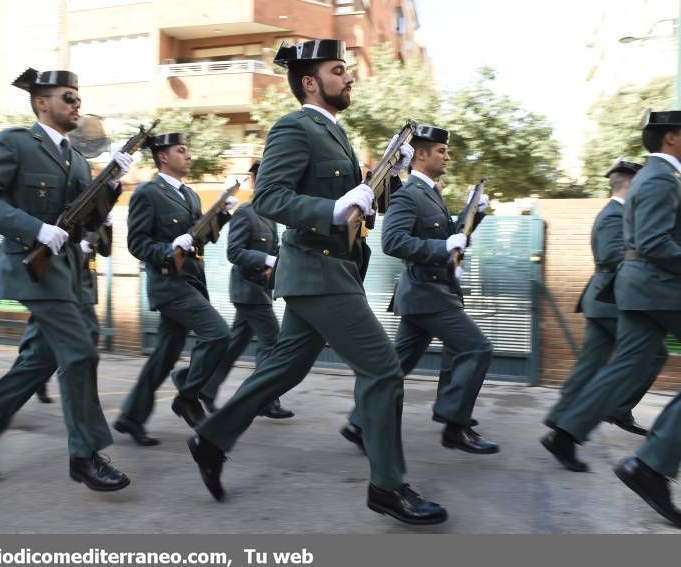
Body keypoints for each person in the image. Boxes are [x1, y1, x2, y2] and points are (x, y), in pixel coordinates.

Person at [187, 39, 447, 526]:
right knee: (383, 369)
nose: (349, 78)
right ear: (310, 81)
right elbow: (270, 197)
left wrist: (393, 172)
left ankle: (211, 438)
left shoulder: (337, 133)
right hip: (318, 271)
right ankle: (387, 486)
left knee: (284, 368)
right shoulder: (295, 126)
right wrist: (331, 209)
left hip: (331, 268)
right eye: (338, 70)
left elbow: (364, 202)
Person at [0, 68, 132, 491]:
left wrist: (112, 182)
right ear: (42, 103)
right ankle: (85, 455)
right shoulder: (16, 142)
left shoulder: (74, 157)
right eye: (68, 97)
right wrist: (34, 230)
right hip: (32, 269)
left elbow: (86, 216)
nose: (76, 105)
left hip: (67, 271)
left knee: (39, 360)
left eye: (77, 98)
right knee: (79, 353)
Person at [543, 110, 681, 498]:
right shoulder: (659, 178)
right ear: (670, 137)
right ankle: (653, 462)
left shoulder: (657, 178)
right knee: (610, 365)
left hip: (640, 293)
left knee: (623, 365)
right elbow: (643, 247)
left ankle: (567, 433)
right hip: (649, 290)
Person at [341, 125, 497, 455]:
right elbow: (393, 241)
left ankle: (359, 423)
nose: (447, 156)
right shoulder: (408, 194)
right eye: (441, 150)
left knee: (395, 367)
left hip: (427, 294)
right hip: (427, 293)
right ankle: (454, 424)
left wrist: (475, 214)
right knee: (476, 348)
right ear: (421, 155)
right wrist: (442, 248)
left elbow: (451, 236)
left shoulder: (431, 193)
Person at [112, 133, 234, 446]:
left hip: (192, 281)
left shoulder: (191, 196)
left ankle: (131, 416)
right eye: (181, 151)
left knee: (164, 356)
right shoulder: (148, 193)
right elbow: (137, 243)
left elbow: (199, 239)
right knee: (219, 333)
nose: (188, 155)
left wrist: (220, 216)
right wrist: (167, 248)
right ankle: (188, 394)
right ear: (163, 157)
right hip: (169, 285)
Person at [543, 159, 659, 442]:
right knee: (652, 353)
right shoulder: (614, 215)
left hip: (604, 300)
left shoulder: (619, 214)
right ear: (630, 184)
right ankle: (616, 409)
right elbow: (611, 256)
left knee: (590, 365)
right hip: (612, 301)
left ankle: (560, 421)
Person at [198, 160, 294, 419]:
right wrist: (266, 261)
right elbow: (235, 252)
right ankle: (264, 400)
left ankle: (206, 389)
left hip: (260, 289)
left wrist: (275, 261)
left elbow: (273, 250)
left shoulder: (268, 214)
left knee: (235, 344)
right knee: (272, 342)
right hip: (247, 291)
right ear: (254, 182)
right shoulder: (245, 212)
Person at [34, 220, 113, 404]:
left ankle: (39, 378)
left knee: (48, 338)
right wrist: (78, 247)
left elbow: (106, 251)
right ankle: (79, 388)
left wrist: (107, 224)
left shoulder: (99, 216)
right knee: (88, 332)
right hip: (68, 278)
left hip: (86, 280)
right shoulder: (77, 208)